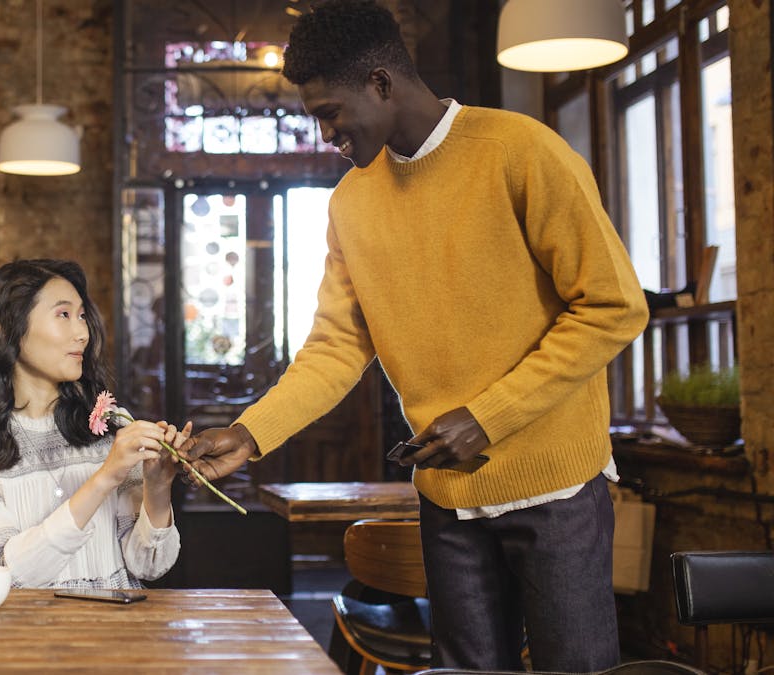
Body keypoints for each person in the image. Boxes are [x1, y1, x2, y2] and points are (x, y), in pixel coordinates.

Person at [182, 1, 649, 671]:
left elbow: (613, 307)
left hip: (557, 490)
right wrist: (250, 431)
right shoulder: (350, 202)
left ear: (381, 82)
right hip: (446, 496)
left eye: (329, 112)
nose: (324, 134)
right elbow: (337, 347)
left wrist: (486, 418)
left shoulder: (521, 151)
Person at [0, 259, 185, 589]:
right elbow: (10, 575)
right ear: (6, 329)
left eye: (81, 316)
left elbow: (149, 566)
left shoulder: (111, 426)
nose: (82, 333)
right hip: (34, 624)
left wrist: (158, 486)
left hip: (119, 621)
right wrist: (105, 477)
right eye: (63, 314)